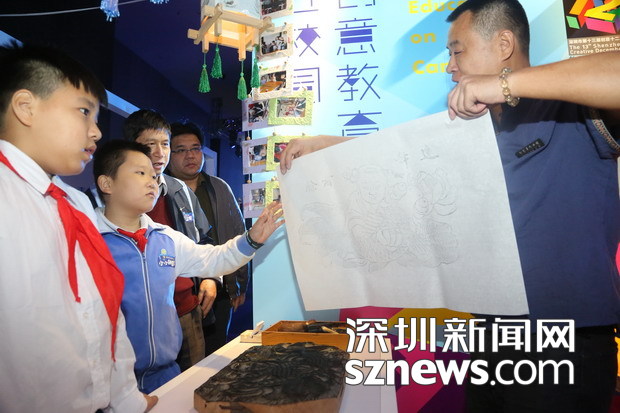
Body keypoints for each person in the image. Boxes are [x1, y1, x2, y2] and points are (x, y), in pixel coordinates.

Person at [280, 1, 620, 411]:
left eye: (458, 51)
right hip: (491, 333)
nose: (450, 66)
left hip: (566, 338)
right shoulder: (476, 126)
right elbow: (403, 161)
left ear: (504, 45)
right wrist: (326, 147)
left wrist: (503, 85)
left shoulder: (571, 107)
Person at [0, 42, 157, 412]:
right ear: (26, 107)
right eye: (84, 112)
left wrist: (125, 398)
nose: (96, 132)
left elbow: (101, 307)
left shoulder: (75, 202)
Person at [93, 139, 283, 393]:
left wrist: (252, 239)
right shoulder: (88, 241)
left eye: (153, 175)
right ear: (107, 184)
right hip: (110, 386)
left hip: (166, 376)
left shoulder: (165, 238)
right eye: (140, 173)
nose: (152, 182)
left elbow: (213, 259)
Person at [123, 109, 215, 372]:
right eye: (149, 145)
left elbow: (204, 238)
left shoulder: (180, 190)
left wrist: (210, 277)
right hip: (138, 315)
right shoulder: (113, 193)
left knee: (193, 381)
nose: (159, 153)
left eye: (164, 144)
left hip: (186, 307)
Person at [167, 120, 249, 356]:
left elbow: (237, 232)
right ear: (169, 155)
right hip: (178, 290)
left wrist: (239, 285)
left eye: (195, 149)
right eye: (181, 150)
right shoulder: (161, 190)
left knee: (216, 352)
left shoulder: (219, 187)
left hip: (219, 288)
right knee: (182, 357)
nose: (190, 155)